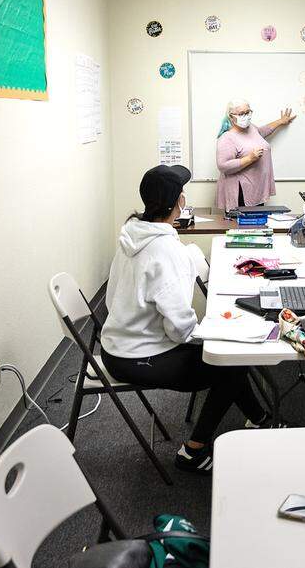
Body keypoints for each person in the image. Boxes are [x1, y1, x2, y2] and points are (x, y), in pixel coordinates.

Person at [101, 164, 275, 474]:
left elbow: (110, 297)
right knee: (229, 362)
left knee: (228, 356)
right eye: (182, 192)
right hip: (137, 356)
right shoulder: (166, 251)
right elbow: (180, 330)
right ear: (177, 203)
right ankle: (194, 451)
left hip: (115, 345)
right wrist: (215, 330)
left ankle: (261, 420)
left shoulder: (132, 235)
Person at [214, 98, 296, 210]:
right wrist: (249, 158)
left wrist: (280, 121)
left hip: (255, 189)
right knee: (241, 226)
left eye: (248, 112)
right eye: (242, 113)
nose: (246, 116)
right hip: (241, 192)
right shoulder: (227, 138)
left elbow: (262, 131)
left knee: (256, 226)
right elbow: (223, 166)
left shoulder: (251, 128)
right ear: (231, 116)